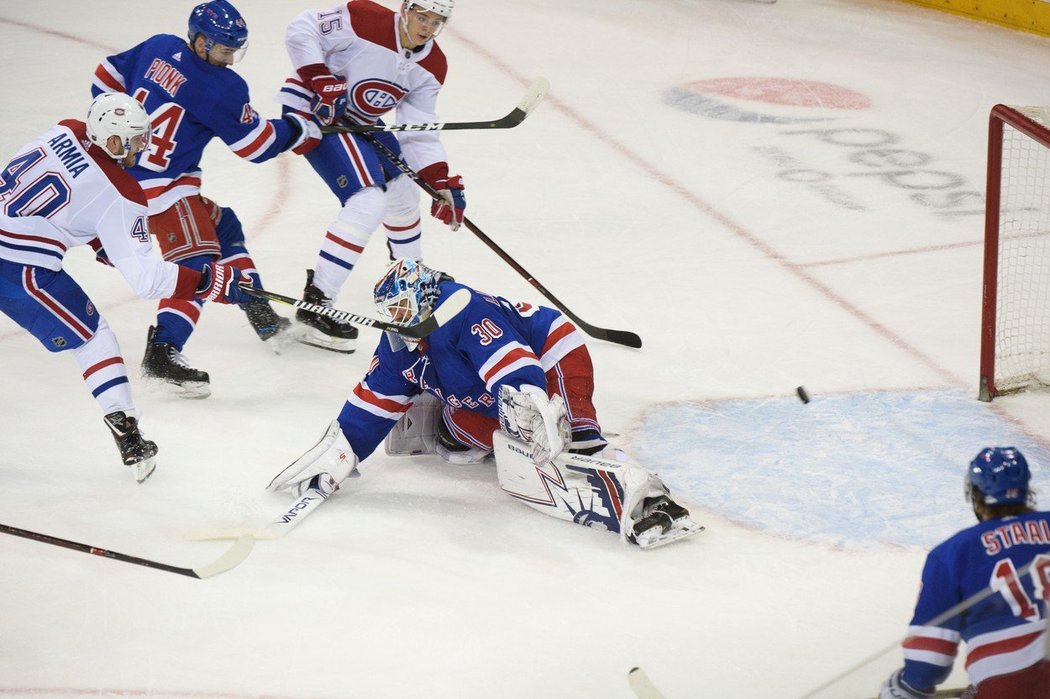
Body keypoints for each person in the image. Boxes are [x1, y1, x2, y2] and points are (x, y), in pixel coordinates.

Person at [265, 259, 702, 548]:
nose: (394, 319)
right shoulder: (398, 342)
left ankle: (655, 502)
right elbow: (373, 400)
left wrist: (531, 405)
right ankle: (457, 425)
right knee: (467, 432)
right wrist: (340, 454)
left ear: (423, 298)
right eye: (389, 311)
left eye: (401, 308)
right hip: (479, 386)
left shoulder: (464, 311)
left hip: (550, 357)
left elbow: (514, 363)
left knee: (575, 442)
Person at [0, 93, 251, 482]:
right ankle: (129, 435)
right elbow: (148, 280)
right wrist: (211, 282)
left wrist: (107, 243)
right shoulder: (122, 193)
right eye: (133, 140)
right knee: (93, 338)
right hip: (19, 271)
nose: (142, 147)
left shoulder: (67, 129)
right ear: (112, 142)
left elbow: (67, 201)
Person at [91, 0, 323, 398]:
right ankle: (163, 350)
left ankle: (258, 308)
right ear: (200, 42)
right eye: (223, 49)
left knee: (224, 225)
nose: (230, 58)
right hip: (161, 192)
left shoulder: (160, 46)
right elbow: (255, 145)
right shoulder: (221, 88)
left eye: (234, 50)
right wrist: (299, 129)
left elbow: (105, 76)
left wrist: (117, 140)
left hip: (120, 177)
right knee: (197, 261)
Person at [274, 0, 467, 354]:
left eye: (435, 21)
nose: (426, 27)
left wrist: (439, 181)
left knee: (404, 193)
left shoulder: (432, 65)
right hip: (314, 110)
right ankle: (316, 302)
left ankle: (408, 279)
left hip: (361, 121)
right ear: (406, 9)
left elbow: (417, 129)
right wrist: (318, 75)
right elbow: (302, 27)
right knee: (368, 200)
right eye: (421, 17)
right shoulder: (363, 17)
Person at [879, 447, 1050, 699]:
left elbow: (929, 659)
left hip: (1009, 686)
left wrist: (906, 687)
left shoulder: (953, 553)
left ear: (975, 494)